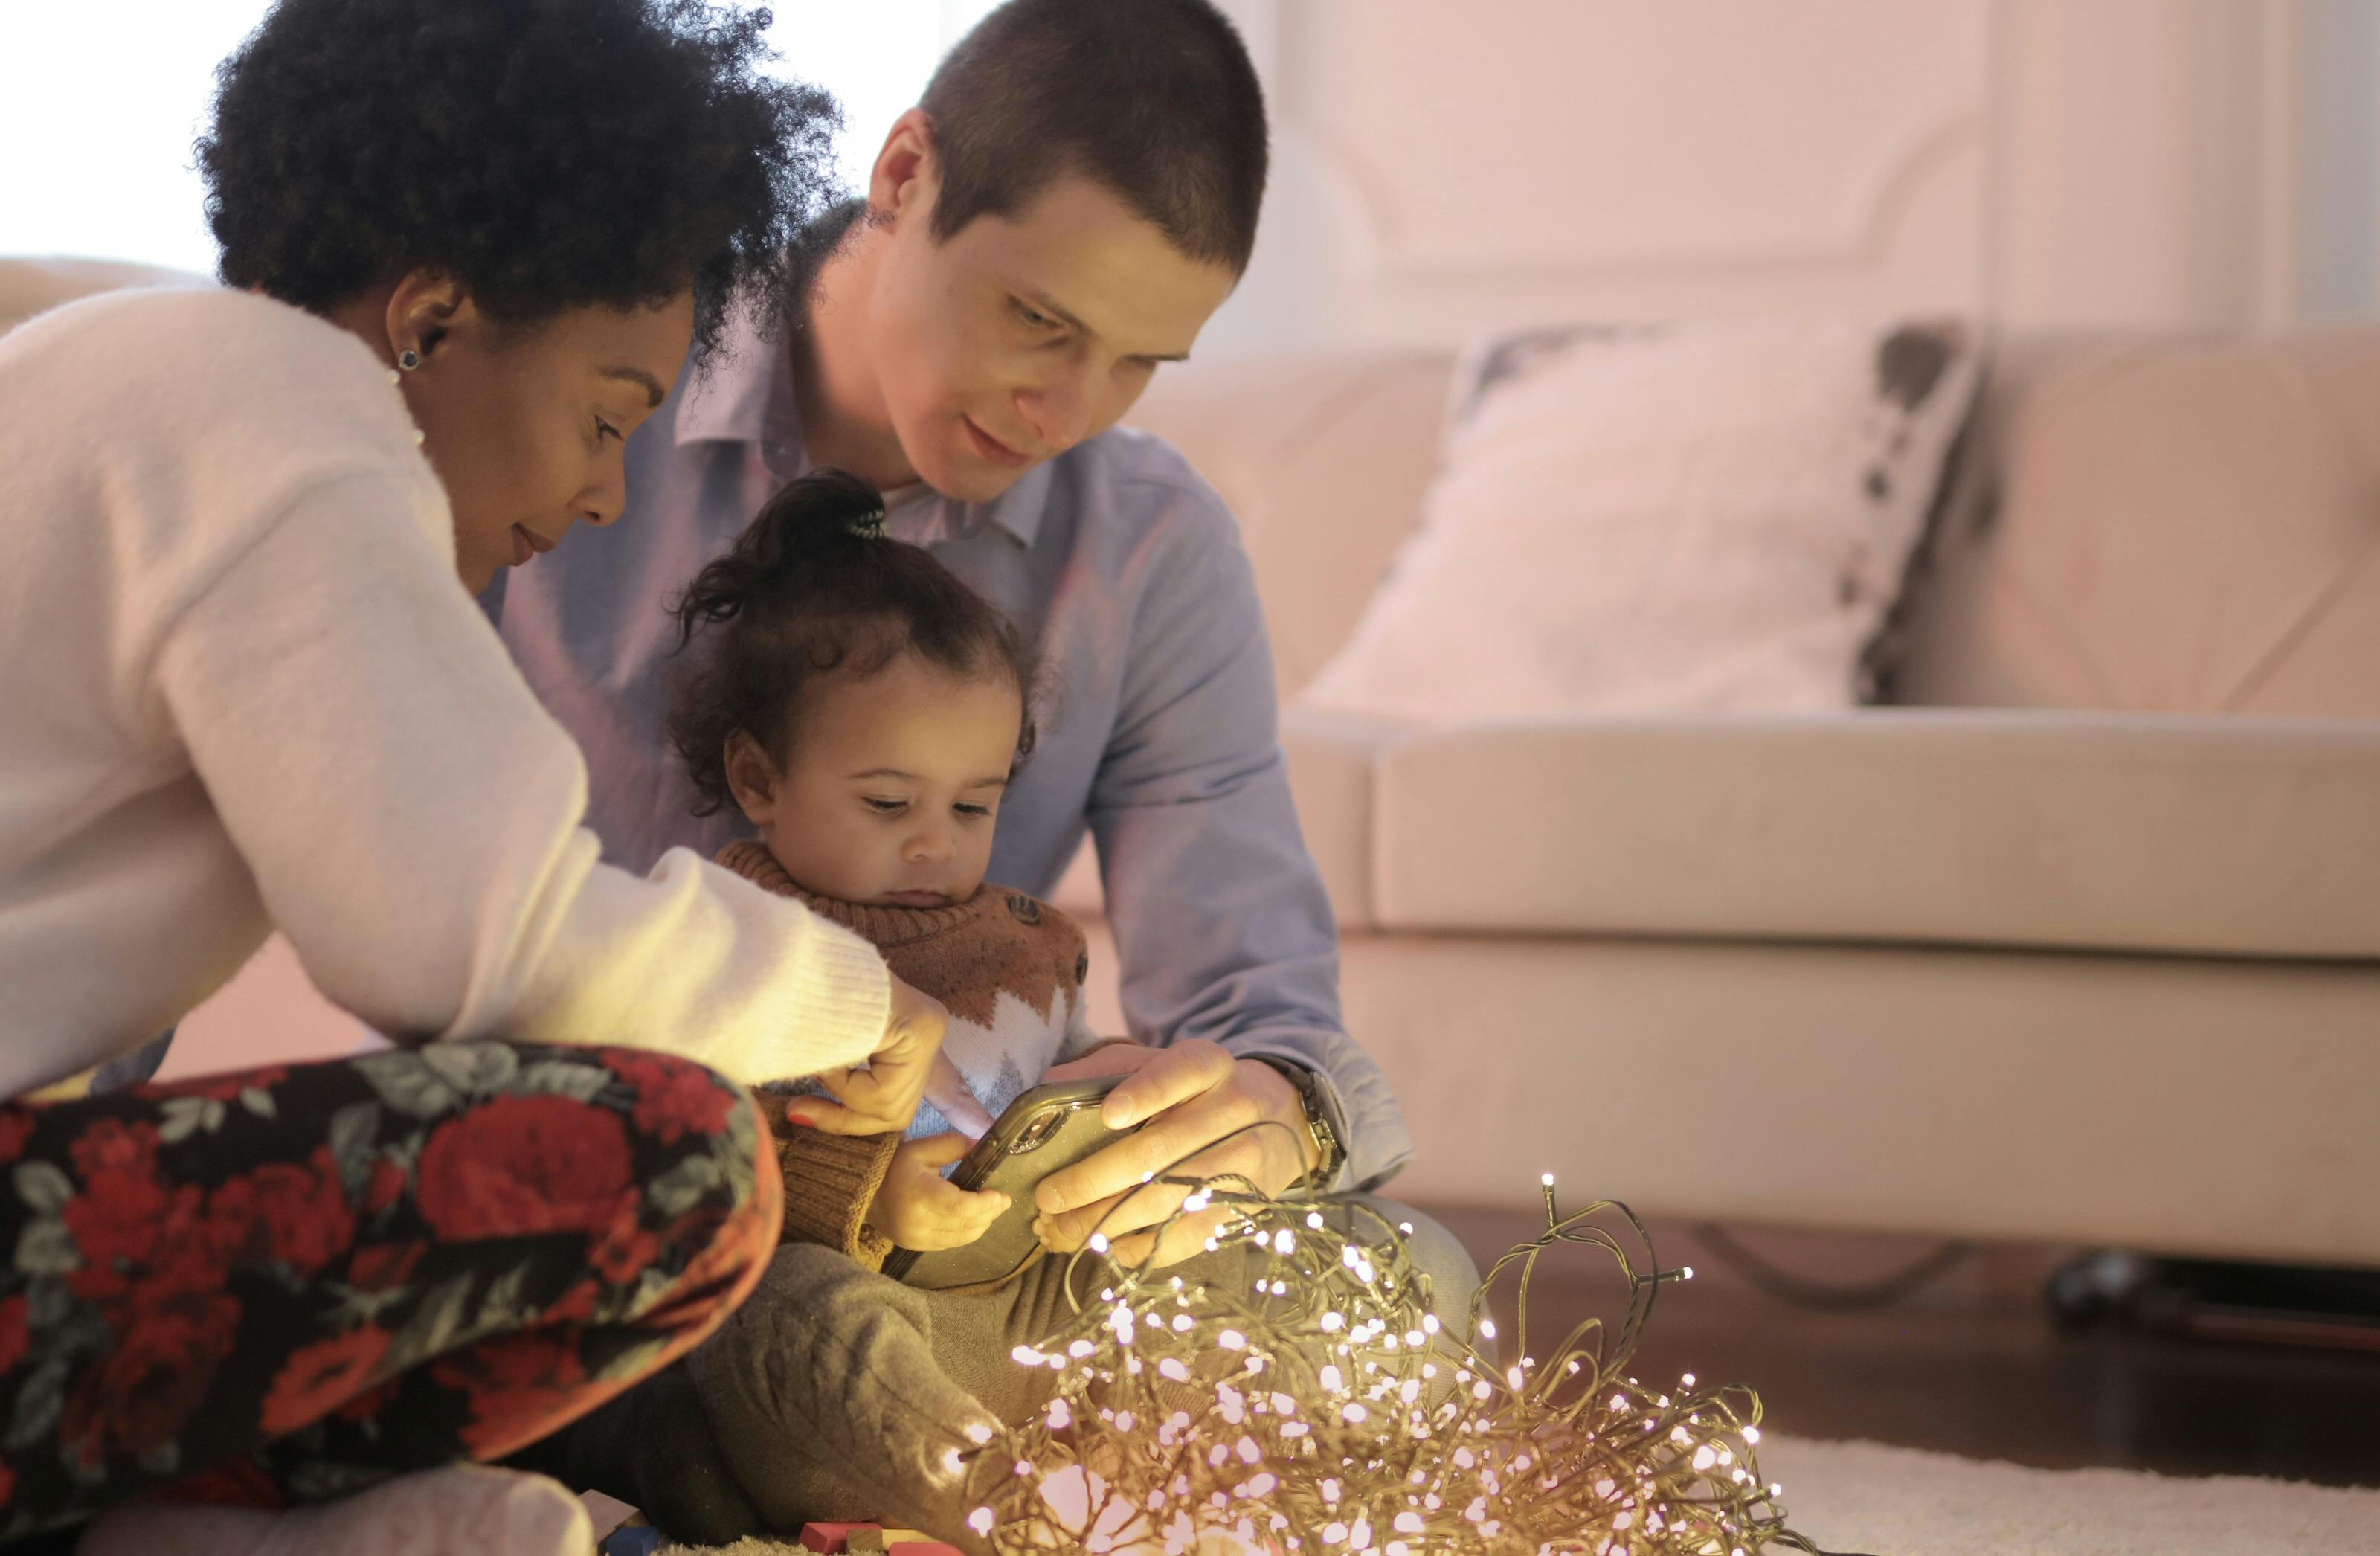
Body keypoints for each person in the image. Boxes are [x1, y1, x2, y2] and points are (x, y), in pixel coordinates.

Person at [0, 0, 952, 1547]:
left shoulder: (112, 368)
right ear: (429, 323)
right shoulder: (284, 408)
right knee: (657, 1163)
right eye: (604, 415)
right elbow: (485, 943)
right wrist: (847, 994)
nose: (596, 494)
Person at [492, 0, 1438, 1326]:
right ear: (901, 177)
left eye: (1139, 363)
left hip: (931, 1233)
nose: (1069, 414)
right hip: (561, 1180)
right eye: (1040, 321)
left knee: (1403, 1288)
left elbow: (1251, 996)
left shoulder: (1150, 547)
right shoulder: (577, 390)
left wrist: (1276, 1109)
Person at [515, 470, 1478, 1548]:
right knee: (778, 1317)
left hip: (1036, 1313)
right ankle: (1016, 1514)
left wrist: (1130, 1109)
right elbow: (670, 1186)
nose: (937, 843)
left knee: (1401, 1262)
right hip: (872, 1342)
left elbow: (1071, 1069)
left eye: (974, 805)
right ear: (759, 777)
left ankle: (1167, 1481)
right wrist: (874, 1214)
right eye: (889, 804)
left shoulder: (1024, 945)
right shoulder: (717, 941)